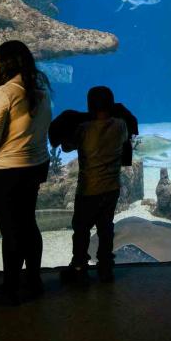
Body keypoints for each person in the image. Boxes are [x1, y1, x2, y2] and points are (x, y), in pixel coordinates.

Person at [0, 40, 52, 306]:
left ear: (3, 63)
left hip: (6, 172)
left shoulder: (3, 94)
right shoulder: (41, 93)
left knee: (10, 231)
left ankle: (10, 289)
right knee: (28, 225)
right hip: (33, 167)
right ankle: (33, 281)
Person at [59, 86, 131, 284]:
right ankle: (106, 267)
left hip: (88, 189)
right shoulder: (121, 125)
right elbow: (126, 139)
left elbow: (66, 147)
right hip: (112, 188)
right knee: (106, 228)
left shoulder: (83, 129)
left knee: (81, 229)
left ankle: (79, 267)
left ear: (89, 106)